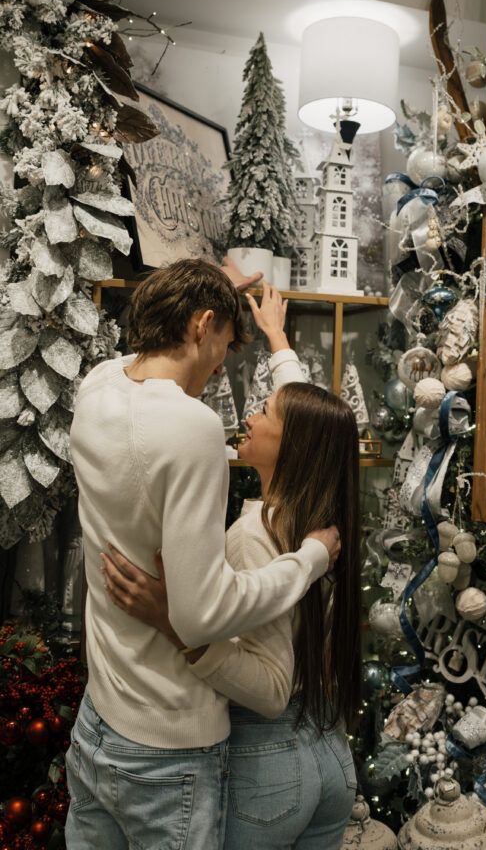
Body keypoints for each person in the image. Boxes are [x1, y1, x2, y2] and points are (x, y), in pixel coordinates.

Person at [66, 261, 341, 850]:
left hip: (97, 724)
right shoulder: (192, 428)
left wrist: (258, 327)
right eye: (223, 345)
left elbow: (301, 420)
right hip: (168, 750)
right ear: (203, 324)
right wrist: (310, 561)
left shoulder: (97, 387)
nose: (223, 367)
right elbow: (200, 617)